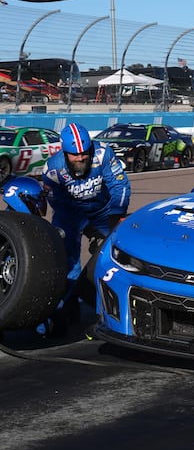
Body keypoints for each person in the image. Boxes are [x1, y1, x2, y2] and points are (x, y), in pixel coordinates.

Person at [40, 122, 131, 334]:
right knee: (66, 260)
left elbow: (120, 185)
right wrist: (86, 227)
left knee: (111, 258)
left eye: (84, 153)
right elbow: (59, 205)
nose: (81, 158)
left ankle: (107, 310)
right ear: (64, 152)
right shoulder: (52, 170)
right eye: (74, 155)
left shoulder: (103, 154)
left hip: (105, 211)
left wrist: (116, 216)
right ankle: (66, 308)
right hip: (70, 215)